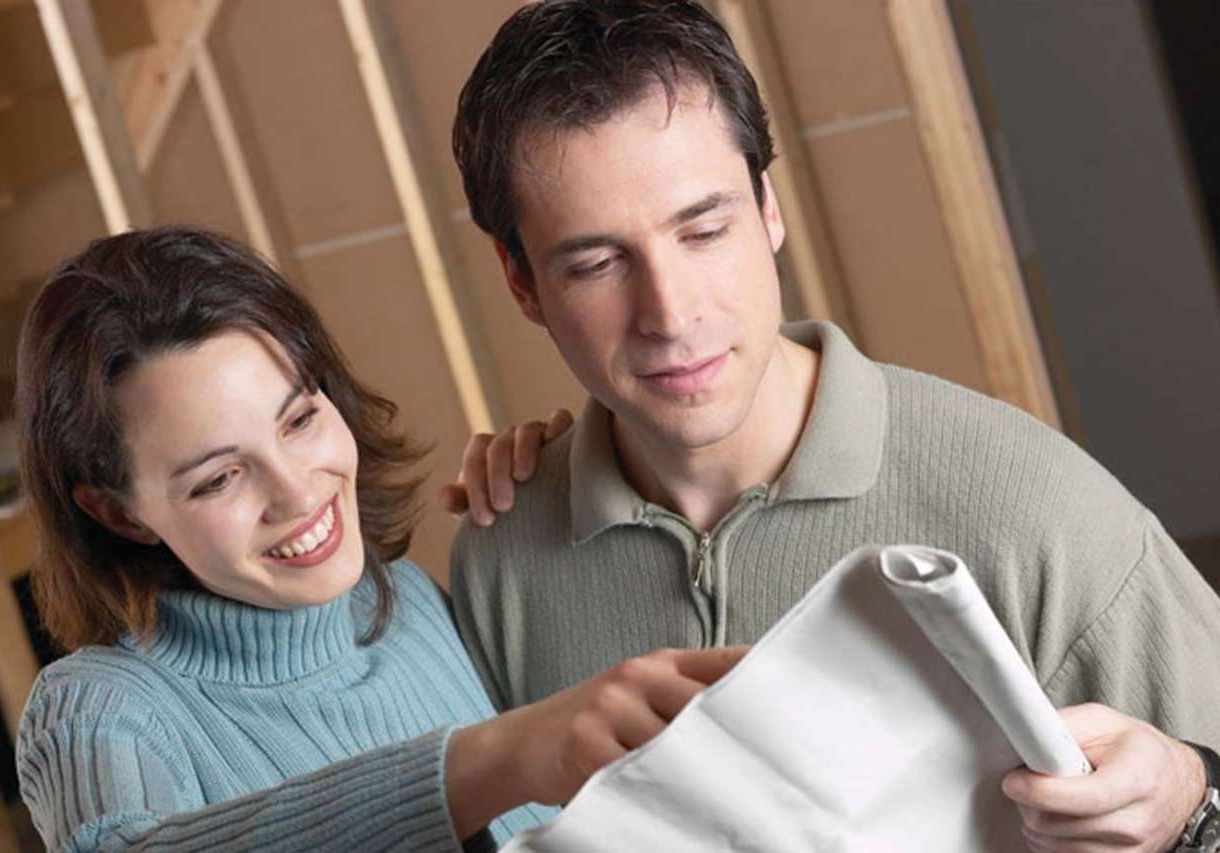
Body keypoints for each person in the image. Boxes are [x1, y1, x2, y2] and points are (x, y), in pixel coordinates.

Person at [444, 1, 1220, 850]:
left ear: (769, 209)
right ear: (521, 283)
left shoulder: (1034, 508)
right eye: (596, 263)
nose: (670, 313)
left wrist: (1195, 795)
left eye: (705, 229)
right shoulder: (499, 556)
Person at [12, 226, 746, 852]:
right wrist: (483, 765)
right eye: (219, 478)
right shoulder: (98, 707)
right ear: (119, 513)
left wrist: (557, 489)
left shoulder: (413, 605)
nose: (299, 493)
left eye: (299, 419)